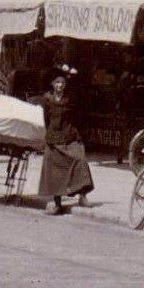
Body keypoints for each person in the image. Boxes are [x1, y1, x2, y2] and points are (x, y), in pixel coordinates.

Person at [32, 68, 94, 215]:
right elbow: (43, 120)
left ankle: (82, 195)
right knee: (54, 170)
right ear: (52, 84)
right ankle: (56, 203)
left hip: (70, 135)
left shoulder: (70, 99)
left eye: (63, 82)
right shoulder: (46, 100)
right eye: (57, 82)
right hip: (54, 138)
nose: (60, 85)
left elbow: (79, 115)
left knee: (80, 160)